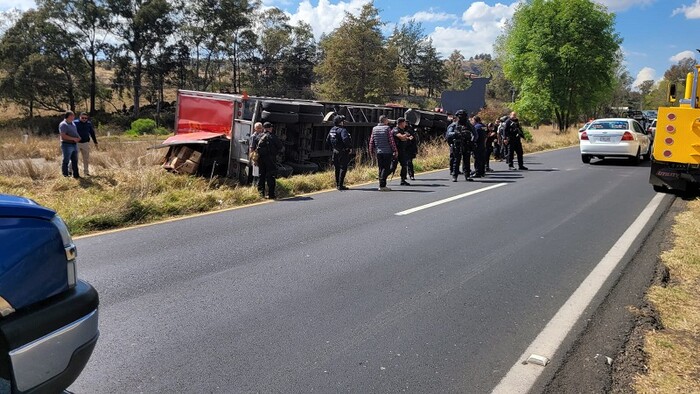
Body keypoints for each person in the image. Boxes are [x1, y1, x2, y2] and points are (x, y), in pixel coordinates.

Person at [252, 122, 283, 198]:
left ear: (263, 128)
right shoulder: (273, 137)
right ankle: (271, 194)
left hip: (261, 159)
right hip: (271, 160)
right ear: (270, 128)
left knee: (261, 176)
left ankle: (261, 194)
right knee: (271, 176)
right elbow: (280, 147)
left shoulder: (258, 136)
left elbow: (254, 147)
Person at [369, 115, 397, 191]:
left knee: (381, 168)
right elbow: (391, 141)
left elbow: (372, 141)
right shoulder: (387, 128)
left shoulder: (374, 129)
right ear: (385, 121)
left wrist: (371, 151)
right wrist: (395, 150)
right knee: (386, 167)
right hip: (387, 151)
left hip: (378, 151)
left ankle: (381, 184)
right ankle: (382, 185)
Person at [445, 109, 476, 182]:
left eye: (464, 116)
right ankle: (455, 176)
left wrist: (472, 141)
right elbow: (448, 135)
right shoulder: (453, 125)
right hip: (457, 145)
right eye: (461, 116)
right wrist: (456, 134)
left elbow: (475, 134)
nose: (462, 118)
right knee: (456, 161)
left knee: (466, 161)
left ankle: (467, 175)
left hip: (466, 144)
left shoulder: (468, 125)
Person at [326, 115, 352, 190]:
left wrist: (333, 148)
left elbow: (327, 140)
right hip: (343, 151)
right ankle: (340, 185)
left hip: (335, 151)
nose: (344, 122)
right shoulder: (342, 130)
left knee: (337, 168)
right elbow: (345, 140)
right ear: (340, 122)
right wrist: (349, 147)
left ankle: (337, 184)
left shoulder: (332, 130)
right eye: (343, 121)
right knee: (343, 168)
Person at [73, 112, 98, 176]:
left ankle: (86, 173)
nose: (84, 119)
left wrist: (95, 142)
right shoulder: (74, 123)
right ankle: (71, 172)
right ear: (79, 117)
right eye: (82, 118)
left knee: (86, 159)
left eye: (85, 118)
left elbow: (92, 133)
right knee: (74, 158)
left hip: (85, 143)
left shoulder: (88, 124)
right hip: (76, 144)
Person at [391, 117, 414, 186]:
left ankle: (403, 180)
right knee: (392, 167)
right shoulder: (395, 130)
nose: (405, 124)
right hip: (396, 151)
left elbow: (406, 138)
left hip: (402, 151)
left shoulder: (402, 130)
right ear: (401, 123)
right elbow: (401, 137)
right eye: (404, 123)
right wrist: (406, 136)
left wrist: (407, 138)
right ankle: (382, 177)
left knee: (404, 165)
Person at [59, 111, 81, 178]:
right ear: (68, 116)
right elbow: (63, 136)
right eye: (72, 116)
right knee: (66, 160)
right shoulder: (63, 124)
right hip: (67, 144)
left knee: (75, 160)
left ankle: (76, 175)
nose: (73, 117)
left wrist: (78, 137)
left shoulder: (73, 124)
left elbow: (75, 132)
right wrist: (73, 138)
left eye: (73, 116)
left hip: (74, 144)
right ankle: (65, 176)